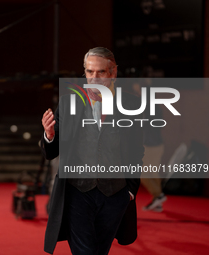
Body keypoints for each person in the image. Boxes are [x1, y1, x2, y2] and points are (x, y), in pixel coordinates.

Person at [41, 47, 144, 255]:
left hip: (115, 194)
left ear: (113, 73)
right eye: (89, 72)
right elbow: (51, 152)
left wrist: (130, 191)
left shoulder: (131, 104)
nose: (94, 78)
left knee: (100, 251)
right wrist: (50, 135)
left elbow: (135, 151)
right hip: (77, 192)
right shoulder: (69, 102)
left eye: (101, 72)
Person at [132, 82, 166, 212]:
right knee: (153, 172)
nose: (137, 94)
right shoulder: (155, 105)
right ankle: (158, 202)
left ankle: (159, 195)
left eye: (138, 91)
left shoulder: (145, 106)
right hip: (158, 144)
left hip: (150, 145)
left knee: (142, 173)